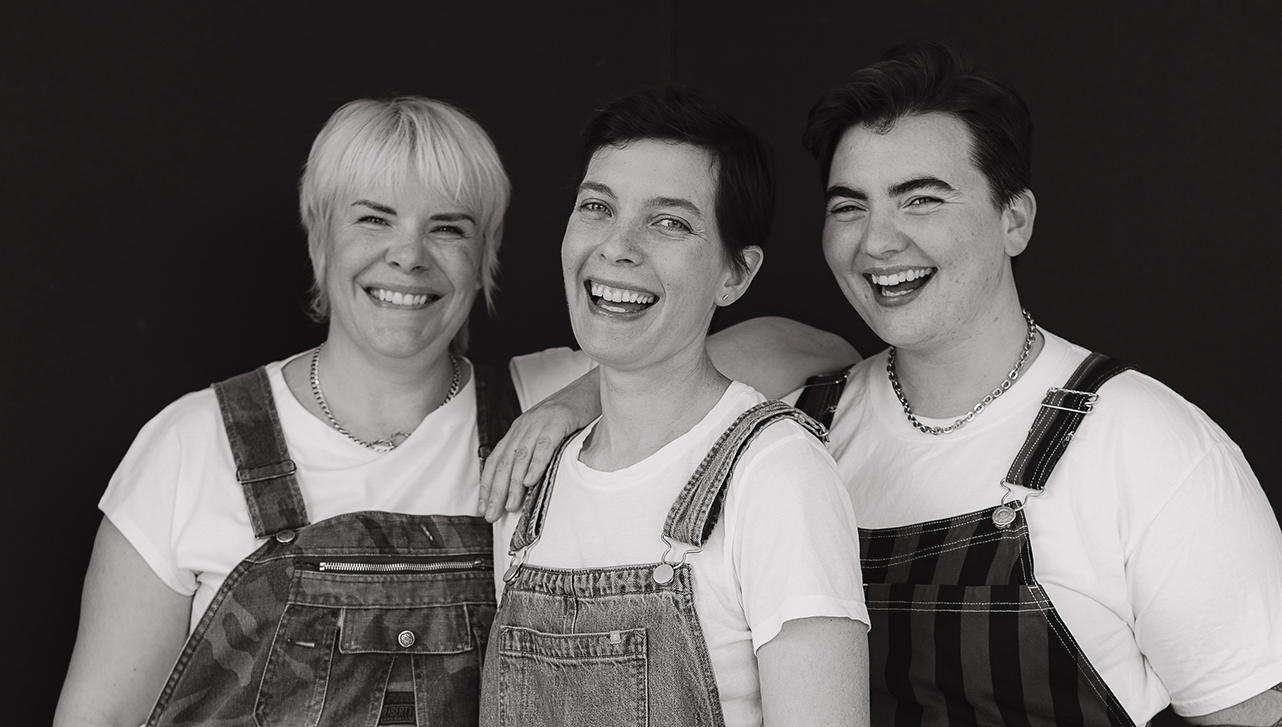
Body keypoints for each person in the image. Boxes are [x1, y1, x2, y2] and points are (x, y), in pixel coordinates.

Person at [53, 96, 858, 727]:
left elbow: (793, 343)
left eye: (448, 228)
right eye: (373, 217)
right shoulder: (195, 443)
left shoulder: (543, 406)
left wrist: (571, 399)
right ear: (319, 236)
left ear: (486, 257)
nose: (408, 255)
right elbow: (104, 711)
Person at [789, 42, 1282, 725]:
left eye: (921, 200)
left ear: (1013, 219)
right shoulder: (796, 438)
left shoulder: (1150, 446)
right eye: (849, 207)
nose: (876, 242)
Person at [479, 87, 871, 727]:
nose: (617, 246)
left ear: (736, 274)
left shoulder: (776, 471)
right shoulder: (532, 484)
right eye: (597, 208)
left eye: (670, 223)